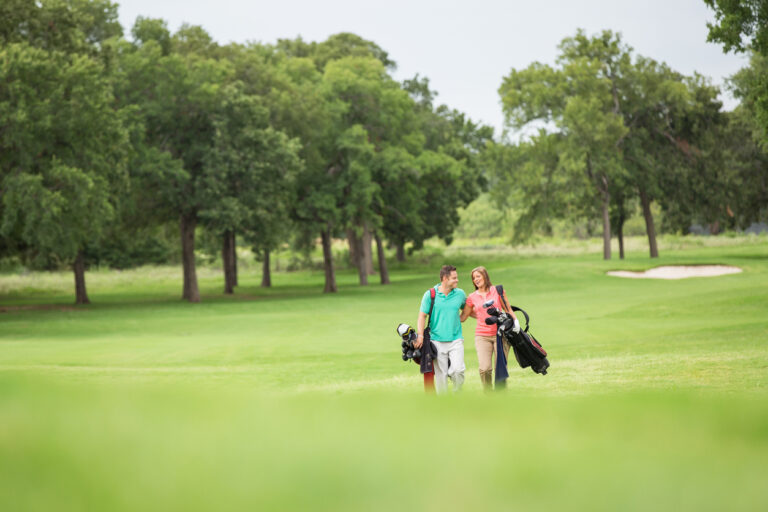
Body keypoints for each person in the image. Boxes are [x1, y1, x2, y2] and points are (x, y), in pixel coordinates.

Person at [460, 266, 520, 391]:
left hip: (501, 335)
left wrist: (516, 322)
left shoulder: (497, 291)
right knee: (484, 368)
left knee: (501, 368)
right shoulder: (472, 297)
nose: (476, 280)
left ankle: (500, 394)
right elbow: (463, 316)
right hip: (482, 336)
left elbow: (508, 309)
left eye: (478, 276)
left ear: (485, 276)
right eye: (473, 278)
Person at [414, 265, 467, 394]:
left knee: (457, 370)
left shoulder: (460, 294)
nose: (457, 280)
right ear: (444, 278)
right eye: (454, 278)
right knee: (441, 376)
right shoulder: (430, 295)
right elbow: (422, 316)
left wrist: (463, 317)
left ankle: (457, 395)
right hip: (436, 341)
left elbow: (468, 309)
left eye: (456, 277)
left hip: (456, 339)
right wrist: (420, 335)